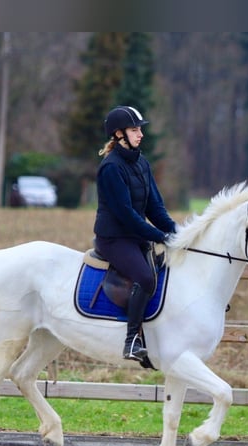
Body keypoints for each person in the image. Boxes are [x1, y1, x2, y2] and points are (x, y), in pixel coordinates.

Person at [93, 105, 177, 362]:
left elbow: (155, 208)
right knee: (145, 277)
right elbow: (127, 216)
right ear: (119, 134)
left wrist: (178, 233)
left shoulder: (141, 163)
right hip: (114, 238)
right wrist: (159, 236)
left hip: (135, 236)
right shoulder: (111, 168)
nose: (140, 134)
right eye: (134, 129)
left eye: (140, 129)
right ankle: (132, 342)